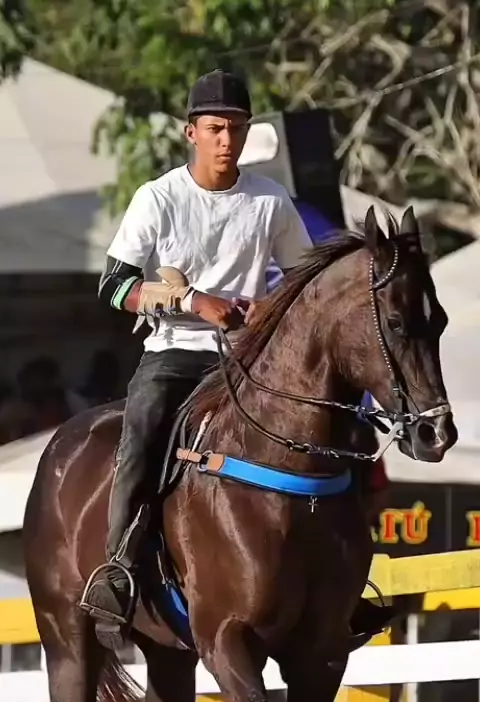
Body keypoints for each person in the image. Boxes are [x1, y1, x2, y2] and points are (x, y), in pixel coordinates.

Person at [80, 68, 395, 649]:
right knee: (141, 433)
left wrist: (267, 306)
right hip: (177, 354)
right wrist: (191, 301)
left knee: (340, 432)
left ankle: (343, 582)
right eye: (216, 128)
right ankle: (119, 568)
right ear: (191, 132)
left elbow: (305, 284)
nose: (228, 140)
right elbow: (115, 286)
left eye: (237, 128)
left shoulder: (270, 200)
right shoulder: (158, 198)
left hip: (252, 361)